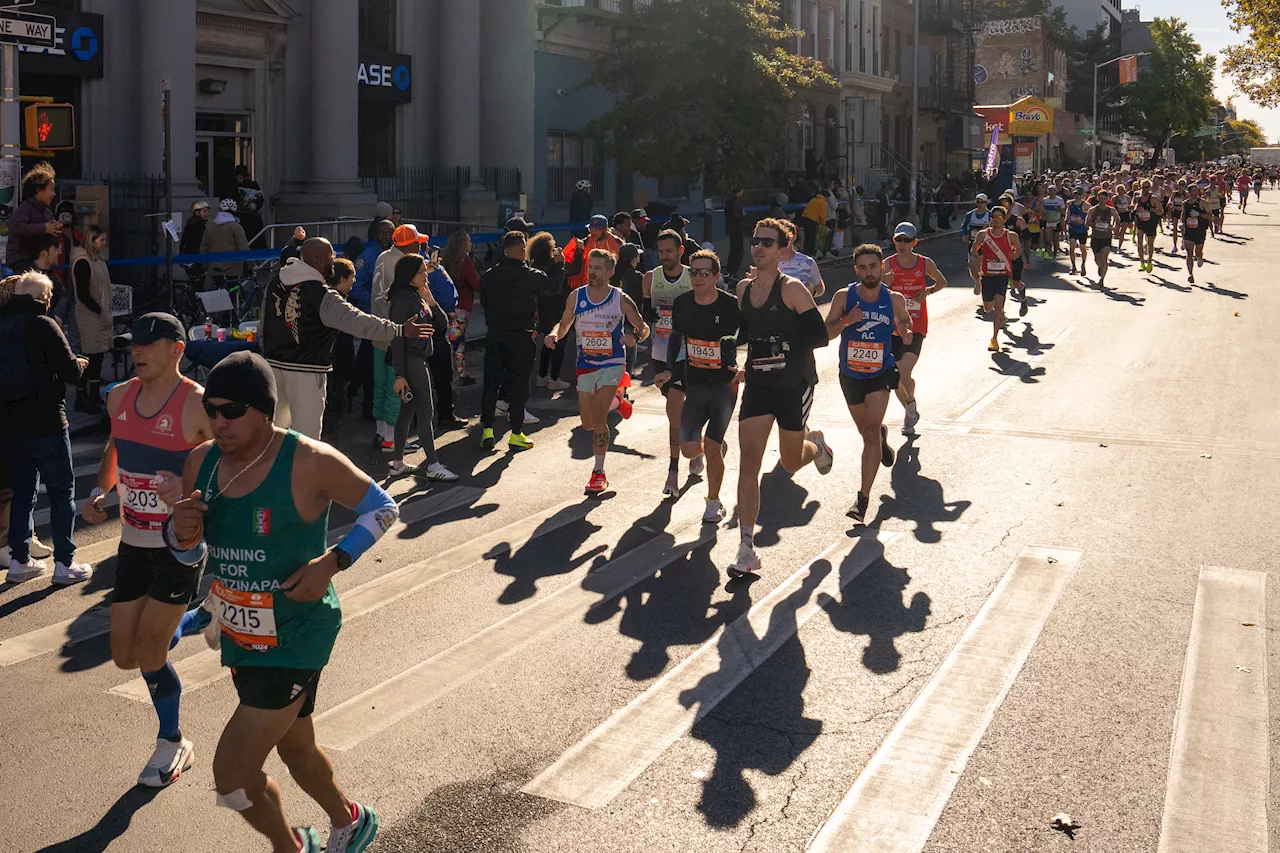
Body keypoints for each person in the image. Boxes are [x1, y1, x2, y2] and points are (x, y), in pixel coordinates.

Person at [168, 351, 389, 853]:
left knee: (231, 776)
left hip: (298, 634)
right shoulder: (201, 463)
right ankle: (350, 821)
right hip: (244, 632)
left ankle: (290, 849)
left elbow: (384, 507)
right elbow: (194, 552)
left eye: (232, 411)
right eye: (211, 408)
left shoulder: (310, 461)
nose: (218, 422)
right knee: (296, 746)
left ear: (265, 411)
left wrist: (334, 562)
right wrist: (179, 535)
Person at [79, 312, 215, 786]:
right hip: (131, 544)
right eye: (132, 343)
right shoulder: (119, 397)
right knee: (124, 653)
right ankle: (200, 619)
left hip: (180, 543)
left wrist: (187, 483)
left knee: (151, 650)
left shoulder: (196, 405)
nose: (136, 350)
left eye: (148, 343)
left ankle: (173, 741)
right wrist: (100, 491)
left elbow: (231, 466)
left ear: (177, 349)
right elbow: (115, 448)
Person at [729, 219, 833, 577]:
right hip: (759, 384)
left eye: (767, 243)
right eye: (755, 241)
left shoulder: (793, 290)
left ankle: (816, 446)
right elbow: (741, 333)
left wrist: (781, 346)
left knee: (790, 463)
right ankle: (746, 547)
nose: (758, 248)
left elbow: (819, 336)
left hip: (793, 384)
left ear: (781, 250)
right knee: (749, 464)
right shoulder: (743, 288)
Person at [260, 238, 431, 440]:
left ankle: (274, 471)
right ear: (318, 260)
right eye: (331, 256)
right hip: (306, 372)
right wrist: (399, 330)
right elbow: (359, 322)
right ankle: (301, 471)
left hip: (273, 368)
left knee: (273, 434)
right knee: (305, 439)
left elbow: (263, 323)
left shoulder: (275, 283)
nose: (335, 259)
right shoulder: (323, 295)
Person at [0, 271, 90, 584]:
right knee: (62, 491)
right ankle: (65, 563)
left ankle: (19, 561)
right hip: (48, 421)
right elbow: (71, 372)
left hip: (11, 426)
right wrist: (82, 362)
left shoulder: (3, 325)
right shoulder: (44, 324)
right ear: (44, 298)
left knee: (23, 493)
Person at [544, 249, 650, 495]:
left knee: (599, 417)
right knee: (588, 422)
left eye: (598, 268)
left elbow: (642, 327)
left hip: (612, 363)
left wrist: (633, 336)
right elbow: (563, 324)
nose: (591, 272)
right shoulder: (576, 296)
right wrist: (553, 335)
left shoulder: (619, 299)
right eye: (590, 267)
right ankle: (617, 401)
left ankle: (598, 473)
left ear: (610, 272)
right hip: (586, 365)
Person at [825, 244, 912, 523]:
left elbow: (904, 320)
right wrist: (847, 320)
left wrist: (905, 331)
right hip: (850, 375)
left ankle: (862, 499)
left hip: (880, 373)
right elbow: (825, 333)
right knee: (867, 433)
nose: (868, 272)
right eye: (862, 267)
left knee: (870, 428)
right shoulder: (844, 296)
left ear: (882, 267)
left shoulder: (894, 298)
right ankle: (881, 440)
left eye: (873, 266)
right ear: (856, 270)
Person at [657, 249, 741, 523]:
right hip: (695, 383)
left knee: (713, 447)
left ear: (716, 276)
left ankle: (713, 501)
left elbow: (752, 334)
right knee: (689, 449)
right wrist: (670, 369)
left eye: (705, 273)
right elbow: (677, 337)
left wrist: (743, 367)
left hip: (723, 386)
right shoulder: (682, 303)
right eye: (694, 272)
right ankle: (712, 448)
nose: (698, 278)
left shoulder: (730, 305)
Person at [386, 255, 459, 482]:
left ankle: (398, 462)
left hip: (419, 357)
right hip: (411, 359)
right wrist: (400, 374)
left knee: (408, 411)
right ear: (409, 275)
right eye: (421, 271)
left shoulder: (417, 296)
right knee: (426, 411)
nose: (425, 274)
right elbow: (396, 338)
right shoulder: (402, 301)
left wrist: (430, 298)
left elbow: (442, 325)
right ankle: (433, 464)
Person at [478, 230, 552, 450]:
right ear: (522, 250)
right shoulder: (532, 276)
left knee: (491, 382)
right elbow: (550, 286)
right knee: (519, 384)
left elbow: (484, 303)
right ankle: (516, 433)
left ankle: (487, 430)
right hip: (521, 335)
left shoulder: (488, 276)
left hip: (495, 334)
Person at [643, 229, 701, 497]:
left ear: (681, 251)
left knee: (676, 412)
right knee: (677, 413)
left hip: (690, 354)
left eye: (669, 251)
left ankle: (673, 472)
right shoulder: (650, 278)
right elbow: (645, 315)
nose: (664, 256)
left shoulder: (694, 276)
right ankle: (696, 446)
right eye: (660, 251)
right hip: (660, 352)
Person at [882, 223, 947, 434]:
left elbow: (942, 281)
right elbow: (870, 291)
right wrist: (884, 282)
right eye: (898, 240)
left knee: (902, 372)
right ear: (893, 241)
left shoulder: (924, 263)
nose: (902, 244)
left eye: (906, 240)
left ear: (914, 242)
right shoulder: (886, 265)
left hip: (915, 326)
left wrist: (927, 291)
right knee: (895, 377)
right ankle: (910, 407)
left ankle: (910, 408)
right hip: (890, 329)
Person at [370, 224, 429, 448]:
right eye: (418, 243)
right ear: (410, 244)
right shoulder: (398, 265)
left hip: (377, 330)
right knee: (398, 385)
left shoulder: (383, 257)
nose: (420, 246)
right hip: (396, 332)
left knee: (381, 384)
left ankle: (382, 433)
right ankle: (392, 438)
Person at [350, 221, 395, 422]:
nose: (384, 236)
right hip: (372, 319)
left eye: (389, 233)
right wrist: (377, 302)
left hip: (393, 320)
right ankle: (367, 405)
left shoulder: (397, 257)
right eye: (381, 233)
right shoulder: (367, 258)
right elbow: (356, 288)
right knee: (369, 365)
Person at [70, 226, 113, 414]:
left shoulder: (99, 259)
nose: (104, 243)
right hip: (90, 315)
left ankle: (93, 394)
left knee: (98, 356)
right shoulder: (83, 262)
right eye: (101, 240)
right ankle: (82, 397)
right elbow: (83, 293)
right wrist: (98, 310)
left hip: (100, 314)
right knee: (90, 357)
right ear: (91, 240)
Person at [969, 206, 1021, 353]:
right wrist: (978, 256)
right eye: (993, 217)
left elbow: (1019, 249)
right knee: (987, 308)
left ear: (1004, 220)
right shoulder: (983, 235)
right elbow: (974, 249)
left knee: (998, 308)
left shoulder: (1010, 236)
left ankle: (994, 339)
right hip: (987, 275)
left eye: (999, 218)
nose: (996, 221)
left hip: (1002, 275)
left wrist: (1013, 257)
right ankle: (979, 281)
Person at [530, 232, 572, 391]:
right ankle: (554, 378)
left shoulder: (534, 267)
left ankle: (542, 376)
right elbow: (557, 286)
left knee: (548, 343)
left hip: (542, 310)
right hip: (556, 309)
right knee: (560, 341)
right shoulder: (553, 268)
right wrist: (560, 264)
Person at [441, 230, 480, 388]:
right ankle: (460, 373)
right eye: (468, 241)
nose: (470, 244)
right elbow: (476, 283)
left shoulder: (445, 260)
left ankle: (448, 372)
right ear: (462, 244)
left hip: (446, 306)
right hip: (462, 307)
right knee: (458, 342)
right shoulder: (465, 261)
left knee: (449, 340)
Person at [7, 162, 60, 275]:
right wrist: (44, 228)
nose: (54, 194)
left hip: (40, 261)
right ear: (39, 190)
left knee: (56, 288)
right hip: (23, 260)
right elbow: (16, 226)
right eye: (51, 189)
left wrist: (54, 228)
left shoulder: (46, 211)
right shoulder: (26, 207)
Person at [200, 199, 251, 292]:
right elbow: (244, 248)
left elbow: (203, 248)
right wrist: (252, 264)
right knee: (231, 292)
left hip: (214, 268)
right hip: (232, 268)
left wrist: (205, 267)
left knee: (217, 292)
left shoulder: (210, 226)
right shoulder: (235, 227)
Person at [776, 220, 825, 299]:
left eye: (785, 236)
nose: (781, 241)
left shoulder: (808, 262)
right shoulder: (769, 261)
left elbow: (820, 288)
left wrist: (811, 290)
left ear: (793, 237)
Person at [1085, 189, 1116, 286]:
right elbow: (1087, 222)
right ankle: (1100, 267)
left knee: (1104, 258)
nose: (1102, 201)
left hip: (1106, 237)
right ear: (1097, 198)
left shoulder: (1111, 210)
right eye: (1100, 198)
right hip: (1096, 237)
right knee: (1097, 259)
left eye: (1104, 199)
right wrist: (1094, 224)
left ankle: (1102, 279)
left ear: (1107, 199)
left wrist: (1114, 227)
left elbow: (1118, 219)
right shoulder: (1093, 210)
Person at [1133, 181, 1163, 273]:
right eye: (1143, 187)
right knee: (1140, 242)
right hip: (1141, 222)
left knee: (1150, 244)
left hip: (1151, 223)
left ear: (1150, 188)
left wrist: (1152, 209)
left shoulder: (1154, 199)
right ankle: (1142, 262)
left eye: (1147, 187)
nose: (1145, 189)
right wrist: (1135, 209)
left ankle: (1149, 260)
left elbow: (1161, 211)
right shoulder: (1138, 198)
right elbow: (1134, 208)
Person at [1181, 184, 1208, 284]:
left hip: (1200, 230)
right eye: (1193, 191)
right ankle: (1190, 274)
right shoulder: (1185, 203)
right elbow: (1183, 214)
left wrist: (1200, 214)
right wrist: (1182, 224)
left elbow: (1210, 216)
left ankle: (1200, 257)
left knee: (1198, 252)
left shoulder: (1203, 203)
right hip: (1188, 230)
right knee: (1189, 253)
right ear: (1189, 192)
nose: (1195, 193)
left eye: (1197, 191)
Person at [181, 200, 211, 280]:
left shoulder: (191, 221)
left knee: (194, 282)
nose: (207, 214)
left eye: (207, 211)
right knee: (199, 283)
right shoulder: (199, 224)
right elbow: (199, 243)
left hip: (188, 257)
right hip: (196, 259)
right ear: (197, 212)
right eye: (204, 211)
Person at [1065, 188, 1090, 277]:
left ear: (1082, 195)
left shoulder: (1086, 205)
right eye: (1075, 194)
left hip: (1082, 229)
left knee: (1082, 248)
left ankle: (1083, 264)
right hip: (1072, 228)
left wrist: (1085, 221)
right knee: (1072, 247)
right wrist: (1066, 219)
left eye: (1078, 194)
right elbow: (1068, 211)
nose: (1077, 196)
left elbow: (1089, 215)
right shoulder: (1070, 203)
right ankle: (1073, 266)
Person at [724, 187, 746, 279]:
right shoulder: (734, 201)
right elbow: (736, 215)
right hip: (736, 228)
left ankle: (731, 270)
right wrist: (742, 215)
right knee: (737, 250)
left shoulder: (730, 201)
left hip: (733, 228)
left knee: (735, 249)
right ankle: (733, 270)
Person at [799, 187, 827, 256]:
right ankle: (811, 253)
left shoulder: (813, 199)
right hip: (812, 220)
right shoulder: (822, 202)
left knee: (807, 236)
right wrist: (822, 224)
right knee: (812, 237)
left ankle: (805, 251)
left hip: (805, 218)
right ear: (826, 197)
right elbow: (822, 215)